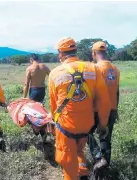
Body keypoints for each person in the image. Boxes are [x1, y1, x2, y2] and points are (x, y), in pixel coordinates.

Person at [48, 37, 111, 180]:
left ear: (60, 54)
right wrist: (103, 123)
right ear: (75, 51)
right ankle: (83, 173)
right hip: (87, 125)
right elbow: (104, 100)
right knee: (79, 151)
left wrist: (54, 122)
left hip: (66, 127)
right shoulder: (93, 68)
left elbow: (53, 104)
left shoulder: (55, 73)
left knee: (67, 161)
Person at [88, 41, 120, 171]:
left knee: (86, 133)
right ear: (106, 52)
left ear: (94, 53)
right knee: (106, 138)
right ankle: (105, 168)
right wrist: (116, 109)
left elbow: (90, 92)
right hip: (111, 109)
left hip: (96, 110)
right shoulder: (116, 69)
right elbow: (117, 91)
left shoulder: (93, 69)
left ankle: (97, 156)